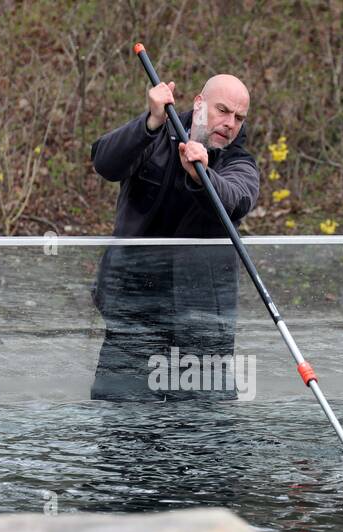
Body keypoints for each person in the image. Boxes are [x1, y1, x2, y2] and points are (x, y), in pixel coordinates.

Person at [88, 73, 259, 401]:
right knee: (123, 423)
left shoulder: (240, 162)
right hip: (134, 307)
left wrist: (201, 175)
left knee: (204, 434)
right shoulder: (153, 133)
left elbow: (237, 200)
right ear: (198, 104)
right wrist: (150, 122)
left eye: (239, 117)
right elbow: (105, 162)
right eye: (222, 110)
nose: (230, 123)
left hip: (205, 317)